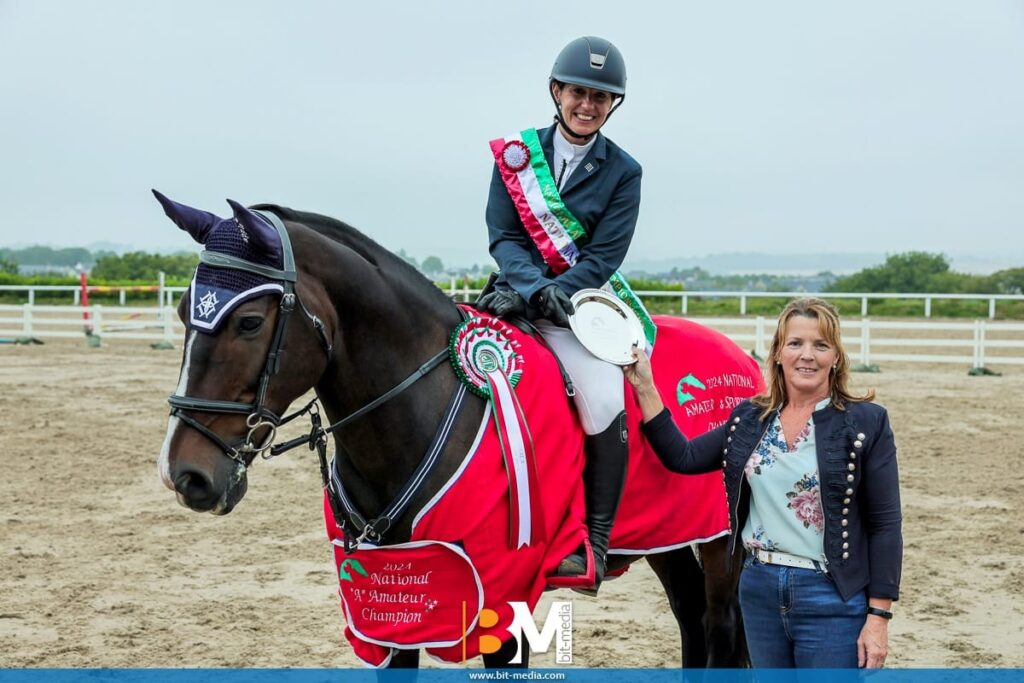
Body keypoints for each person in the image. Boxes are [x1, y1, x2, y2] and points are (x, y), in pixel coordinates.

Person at [624, 297, 902, 668]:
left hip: (831, 595)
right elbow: (684, 457)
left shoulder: (867, 423)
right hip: (760, 590)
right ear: (777, 353)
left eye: (821, 345)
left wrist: (878, 618)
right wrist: (645, 387)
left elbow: (886, 525)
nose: (807, 356)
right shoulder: (751, 419)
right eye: (795, 344)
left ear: (836, 357)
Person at [476, 36, 643, 594]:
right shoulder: (517, 157)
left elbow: (603, 255)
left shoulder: (624, 171)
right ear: (557, 91)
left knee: (603, 397)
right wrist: (528, 290)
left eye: (601, 97)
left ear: (611, 104)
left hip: (580, 307)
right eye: (578, 92)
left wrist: (558, 293)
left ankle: (593, 541)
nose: (587, 105)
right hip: (511, 297)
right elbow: (503, 235)